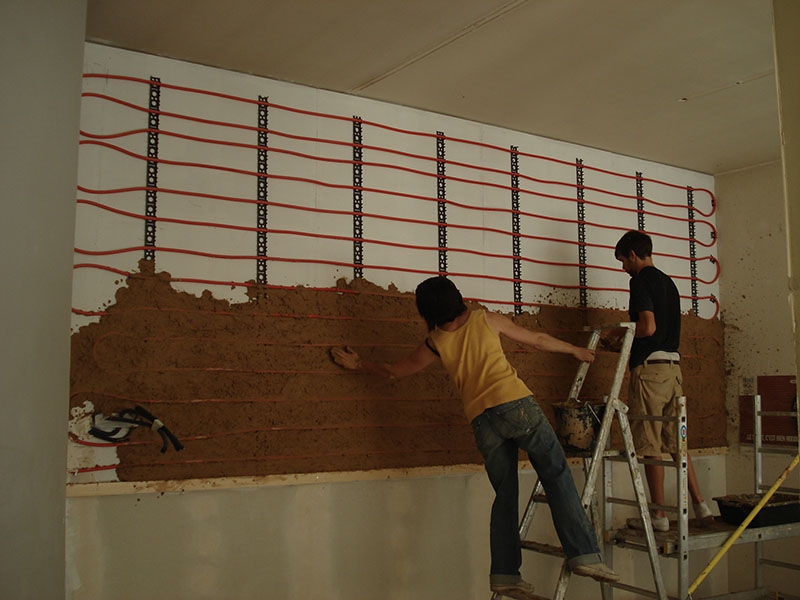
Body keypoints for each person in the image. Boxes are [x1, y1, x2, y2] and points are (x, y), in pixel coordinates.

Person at [331, 276, 619, 600]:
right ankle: (584, 555)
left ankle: (505, 575)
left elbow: (396, 371)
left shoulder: (435, 342)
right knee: (555, 471)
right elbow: (536, 339)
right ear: (456, 297)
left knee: (505, 496)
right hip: (515, 405)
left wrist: (359, 364)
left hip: (482, 422)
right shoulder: (485, 318)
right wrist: (575, 350)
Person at [608, 230, 714, 532]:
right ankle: (700, 506)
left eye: (623, 261)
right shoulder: (669, 283)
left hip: (650, 372)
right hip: (673, 370)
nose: (623, 268)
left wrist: (619, 337)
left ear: (632, 255)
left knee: (650, 444)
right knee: (678, 443)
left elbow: (648, 327)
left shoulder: (639, 281)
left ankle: (658, 516)